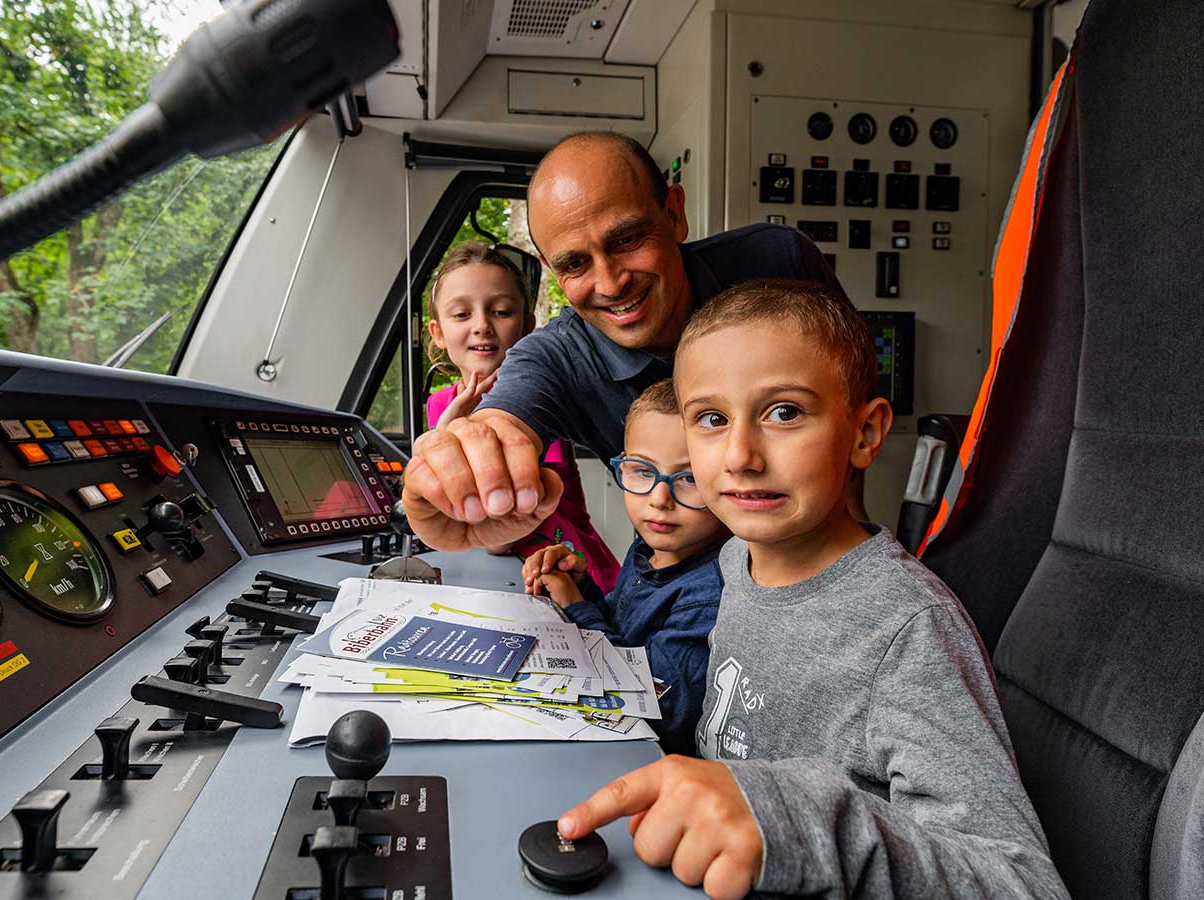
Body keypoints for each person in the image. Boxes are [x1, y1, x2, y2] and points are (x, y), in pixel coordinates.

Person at [555, 279, 1067, 900]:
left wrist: (795, 822)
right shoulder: (735, 559)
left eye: (784, 412)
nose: (741, 455)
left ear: (865, 433)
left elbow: (1023, 883)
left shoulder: (910, 629)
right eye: (712, 419)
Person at [402, 131, 840, 553]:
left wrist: (851, 534)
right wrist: (473, 462)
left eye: (627, 239)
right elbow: (506, 418)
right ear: (552, 270)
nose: (611, 284)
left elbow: (847, 398)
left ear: (674, 215)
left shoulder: (779, 262)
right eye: (574, 263)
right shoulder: (558, 357)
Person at [521, 379, 728, 754]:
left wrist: (575, 607)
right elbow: (623, 632)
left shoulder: (710, 594)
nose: (659, 499)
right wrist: (580, 587)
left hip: (649, 760)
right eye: (642, 472)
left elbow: (652, 700)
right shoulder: (648, 549)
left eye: (690, 478)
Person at [423, 241, 619, 595]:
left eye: (500, 311)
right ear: (438, 333)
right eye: (462, 314)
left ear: (528, 326)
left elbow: (499, 533)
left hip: (574, 572)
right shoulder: (439, 404)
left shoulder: (541, 401)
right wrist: (444, 430)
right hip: (504, 573)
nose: (482, 325)